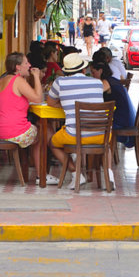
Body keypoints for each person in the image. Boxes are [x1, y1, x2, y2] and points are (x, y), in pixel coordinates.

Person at [0, 52, 60, 185]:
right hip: (13, 132)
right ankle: (43, 175)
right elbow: (38, 98)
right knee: (44, 132)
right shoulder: (18, 80)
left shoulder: (2, 80)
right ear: (18, 67)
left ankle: (45, 169)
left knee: (40, 128)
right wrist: (36, 77)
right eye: (26, 63)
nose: (29, 65)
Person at [47, 52, 112, 187]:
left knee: (52, 143)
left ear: (66, 71)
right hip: (102, 134)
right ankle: (109, 176)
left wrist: (65, 104)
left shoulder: (60, 82)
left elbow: (50, 103)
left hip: (74, 136)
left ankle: (76, 173)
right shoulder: (97, 83)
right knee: (106, 145)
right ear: (84, 69)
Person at [90, 53, 136, 148]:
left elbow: (93, 94)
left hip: (121, 122)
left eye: (93, 72)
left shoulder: (106, 82)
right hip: (126, 118)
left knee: (92, 125)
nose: (92, 75)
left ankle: (97, 154)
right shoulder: (112, 80)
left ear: (101, 71)